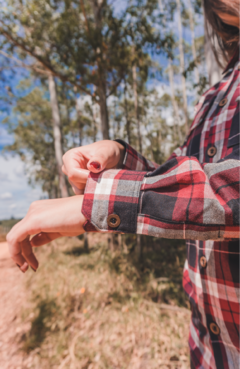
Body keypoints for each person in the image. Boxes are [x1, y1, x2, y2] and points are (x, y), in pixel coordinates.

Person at [6, 0, 240, 367]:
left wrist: (101, 202)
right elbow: (188, 186)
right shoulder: (216, 93)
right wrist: (118, 156)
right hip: (209, 350)